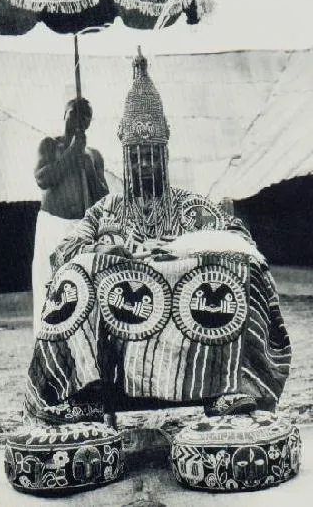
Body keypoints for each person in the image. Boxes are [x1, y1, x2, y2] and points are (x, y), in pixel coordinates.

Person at [25, 49, 291, 425]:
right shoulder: (106, 211)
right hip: (120, 334)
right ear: (126, 158)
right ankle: (87, 392)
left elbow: (237, 236)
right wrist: (104, 249)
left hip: (192, 333)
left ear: (164, 155)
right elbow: (65, 250)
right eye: (135, 157)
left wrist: (188, 251)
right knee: (78, 275)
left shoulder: (190, 207)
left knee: (238, 268)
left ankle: (230, 388)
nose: (143, 164)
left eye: (151, 155)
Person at [32, 97, 109, 337]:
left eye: (85, 116)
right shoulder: (49, 145)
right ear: (64, 114)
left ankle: (81, 338)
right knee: (51, 283)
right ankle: (47, 336)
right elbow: (42, 179)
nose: (79, 120)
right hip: (53, 225)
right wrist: (71, 153)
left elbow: (103, 196)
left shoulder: (93, 155)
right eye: (74, 113)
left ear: (89, 123)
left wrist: (87, 165)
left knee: (82, 284)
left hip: (81, 228)